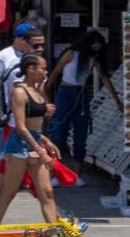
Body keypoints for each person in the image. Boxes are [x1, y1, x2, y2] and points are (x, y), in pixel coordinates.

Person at [0, 53, 59, 228]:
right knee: (9, 192)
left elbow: (34, 125)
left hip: (34, 142)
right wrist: (42, 151)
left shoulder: (37, 90)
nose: (45, 72)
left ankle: (58, 236)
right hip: (18, 146)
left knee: (47, 192)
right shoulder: (19, 92)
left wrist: (46, 141)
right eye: (42, 68)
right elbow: (20, 127)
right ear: (31, 69)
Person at [0, 24, 48, 216]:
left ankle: (58, 228)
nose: (40, 49)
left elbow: (41, 89)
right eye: (36, 45)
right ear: (22, 41)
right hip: (13, 125)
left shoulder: (38, 63)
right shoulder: (4, 56)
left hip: (34, 128)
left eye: (42, 46)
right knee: (5, 182)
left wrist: (44, 106)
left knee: (44, 190)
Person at [46, 29, 123, 182]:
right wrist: (46, 97)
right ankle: (56, 173)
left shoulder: (93, 59)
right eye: (95, 45)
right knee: (59, 132)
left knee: (81, 134)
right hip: (65, 92)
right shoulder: (71, 54)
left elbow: (105, 79)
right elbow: (55, 73)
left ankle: (77, 175)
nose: (96, 48)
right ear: (88, 43)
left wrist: (117, 100)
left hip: (80, 95)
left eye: (99, 46)